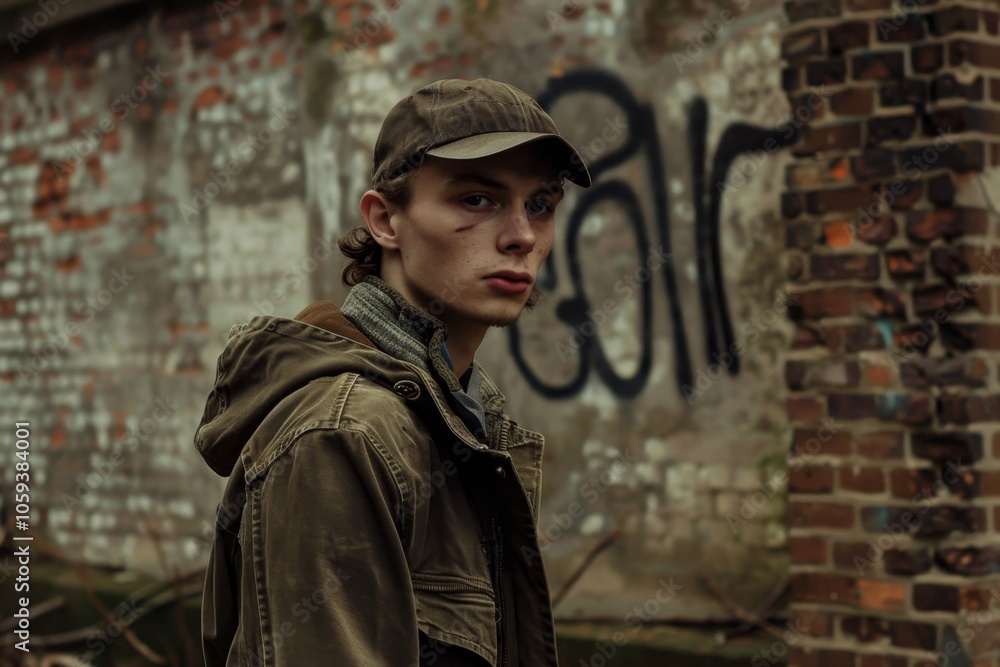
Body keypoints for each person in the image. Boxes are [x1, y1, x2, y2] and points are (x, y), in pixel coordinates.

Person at [194, 77, 591, 666]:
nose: (522, 236)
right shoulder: (344, 435)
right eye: (477, 200)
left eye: (540, 205)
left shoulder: (459, 413)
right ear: (384, 221)